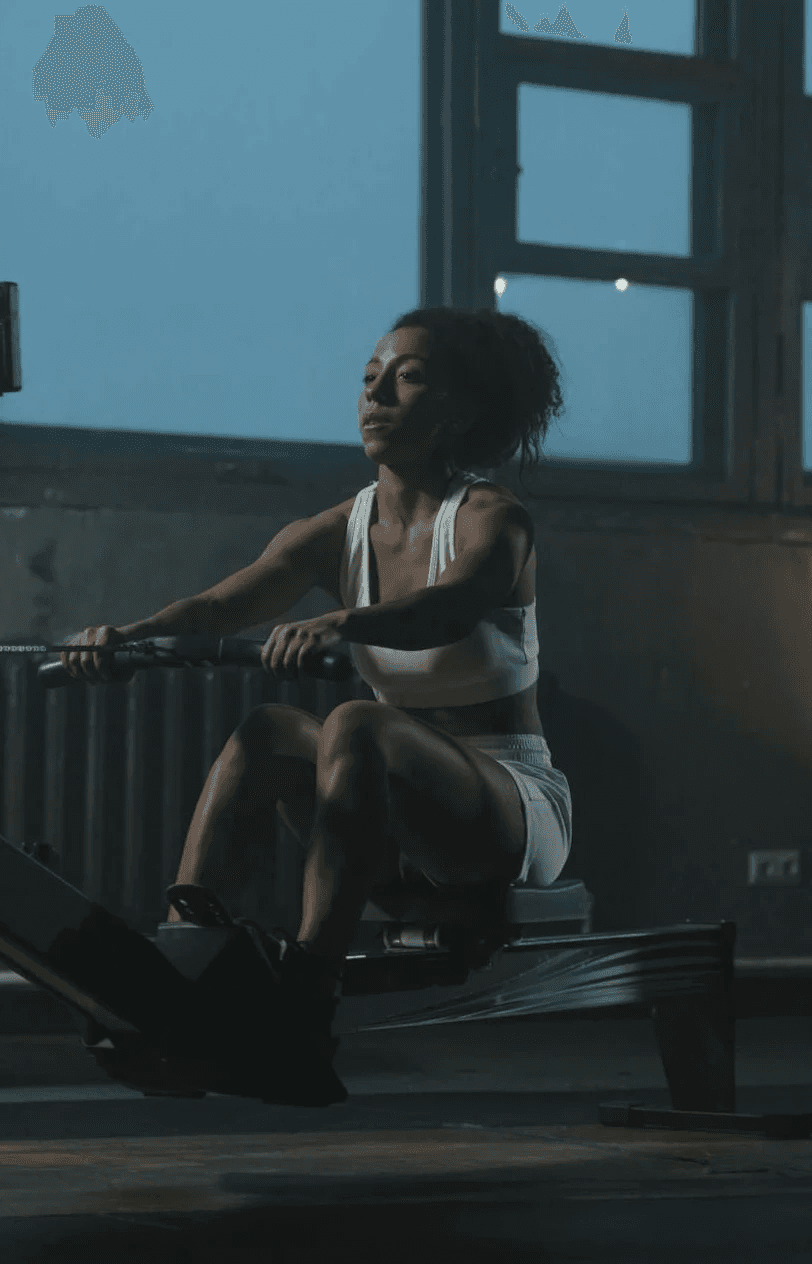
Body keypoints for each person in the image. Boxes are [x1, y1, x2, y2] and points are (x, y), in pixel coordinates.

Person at [60, 306, 572, 1063]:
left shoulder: (495, 519)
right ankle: (181, 951)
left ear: (456, 412)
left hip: (510, 811)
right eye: (369, 380)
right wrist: (124, 637)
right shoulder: (336, 529)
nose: (376, 396)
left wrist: (343, 623)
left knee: (356, 723)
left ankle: (305, 1002)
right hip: (391, 814)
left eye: (408, 379)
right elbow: (220, 606)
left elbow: (452, 605)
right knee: (269, 729)